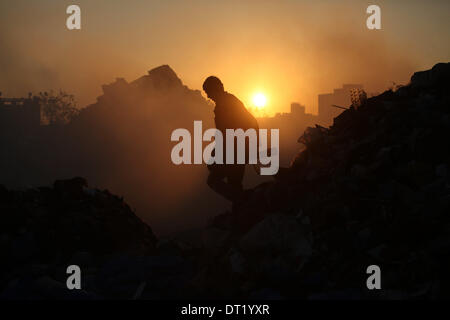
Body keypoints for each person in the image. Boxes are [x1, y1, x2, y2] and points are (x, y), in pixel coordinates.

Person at [202, 76, 258, 204]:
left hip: (237, 150)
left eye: (208, 92)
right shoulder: (228, 102)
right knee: (234, 184)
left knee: (214, 180)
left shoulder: (226, 105)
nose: (208, 96)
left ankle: (243, 201)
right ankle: (241, 206)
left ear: (215, 89)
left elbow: (228, 133)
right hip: (238, 149)